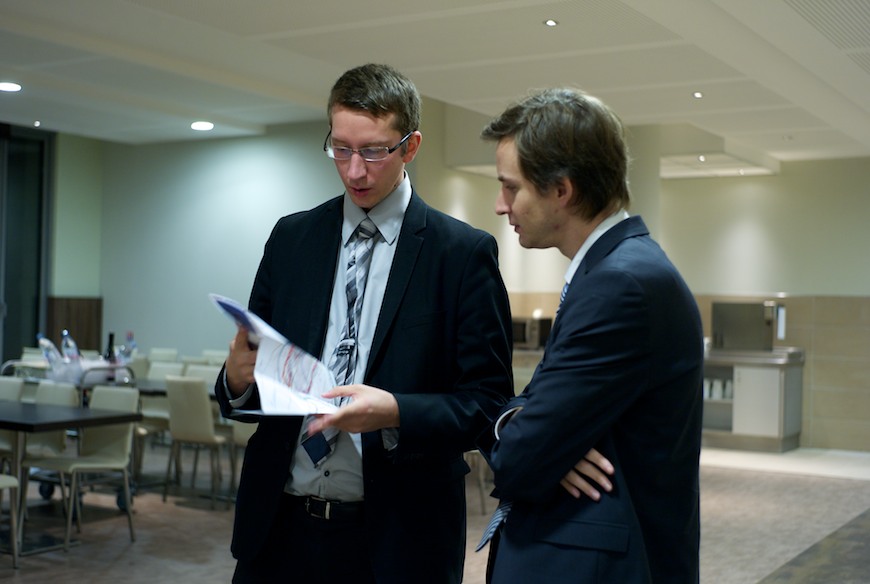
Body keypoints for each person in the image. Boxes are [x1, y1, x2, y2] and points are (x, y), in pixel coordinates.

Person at [215, 63, 514, 584]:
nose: (355, 171)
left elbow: (488, 405)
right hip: (278, 532)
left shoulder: (461, 254)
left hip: (398, 542)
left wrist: (396, 412)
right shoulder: (291, 239)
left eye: (374, 151)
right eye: (341, 149)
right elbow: (258, 375)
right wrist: (238, 382)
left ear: (411, 146)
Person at [477, 88, 704, 583]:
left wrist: (540, 445)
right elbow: (533, 417)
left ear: (562, 190)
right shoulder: (617, 270)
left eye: (511, 188)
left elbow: (518, 460)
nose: (500, 205)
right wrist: (538, 435)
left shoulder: (619, 284)